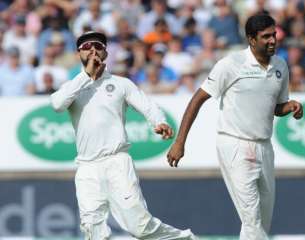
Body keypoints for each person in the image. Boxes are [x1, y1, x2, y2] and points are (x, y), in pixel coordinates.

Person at [167, 14, 303, 240]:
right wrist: (180, 142)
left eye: (274, 35)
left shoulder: (280, 65)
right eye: (266, 37)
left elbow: (275, 106)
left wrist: (290, 107)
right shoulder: (230, 65)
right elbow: (197, 99)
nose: (272, 41)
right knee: (252, 219)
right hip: (235, 145)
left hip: (265, 146)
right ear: (251, 39)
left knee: (261, 221)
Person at [50, 31, 196, 240]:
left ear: (106, 53)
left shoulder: (121, 84)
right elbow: (56, 104)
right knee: (93, 230)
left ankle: (186, 239)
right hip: (86, 166)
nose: (93, 50)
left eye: (98, 47)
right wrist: (85, 76)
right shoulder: (73, 87)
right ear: (78, 54)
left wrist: (160, 121)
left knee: (140, 227)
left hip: (117, 161)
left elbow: (148, 106)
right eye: (87, 47)